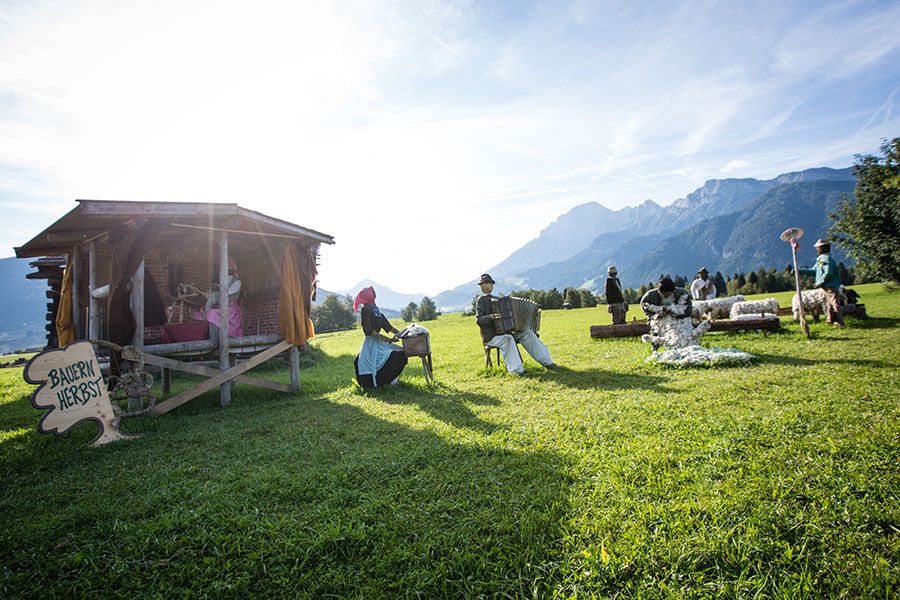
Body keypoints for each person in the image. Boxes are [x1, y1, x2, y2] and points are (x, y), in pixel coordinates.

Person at [475, 273, 555, 375]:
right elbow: (478, 320)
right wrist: (491, 317)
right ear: (482, 286)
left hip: (505, 332)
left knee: (527, 333)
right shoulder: (480, 300)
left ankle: (548, 362)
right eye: (488, 283)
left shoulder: (497, 299)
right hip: (491, 337)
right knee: (508, 338)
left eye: (491, 283)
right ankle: (516, 371)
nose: (491, 285)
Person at [353, 286, 407, 388]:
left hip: (378, 342)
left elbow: (389, 327)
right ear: (368, 295)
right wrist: (388, 340)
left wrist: (404, 334)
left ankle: (391, 380)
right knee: (391, 355)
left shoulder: (375, 309)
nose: (375, 294)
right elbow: (369, 331)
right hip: (371, 343)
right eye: (372, 293)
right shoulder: (366, 310)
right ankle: (382, 381)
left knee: (400, 351)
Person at [796, 238, 844, 327]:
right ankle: (830, 319)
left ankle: (839, 322)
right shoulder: (821, 259)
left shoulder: (826, 259)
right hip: (826, 286)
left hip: (830, 285)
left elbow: (828, 273)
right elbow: (813, 271)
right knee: (828, 303)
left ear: (822, 248)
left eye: (818, 248)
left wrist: (820, 283)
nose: (817, 249)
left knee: (834, 304)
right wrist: (799, 271)